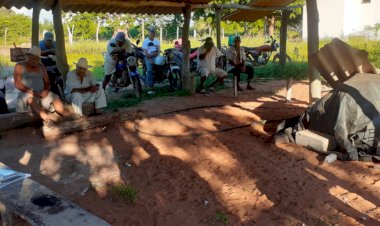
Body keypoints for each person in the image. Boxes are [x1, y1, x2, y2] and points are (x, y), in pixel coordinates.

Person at [13, 46, 76, 126]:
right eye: (33, 59)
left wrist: (46, 90)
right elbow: (17, 84)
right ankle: (47, 119)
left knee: (55, 98)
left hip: (41, 92)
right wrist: (32, 92)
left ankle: (68, 115)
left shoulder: (41, 67)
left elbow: (47, 82)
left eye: (37, 59)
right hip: (26, 92)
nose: (35, 61)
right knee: (31, 100)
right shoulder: (19, 66)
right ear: (28, 56)